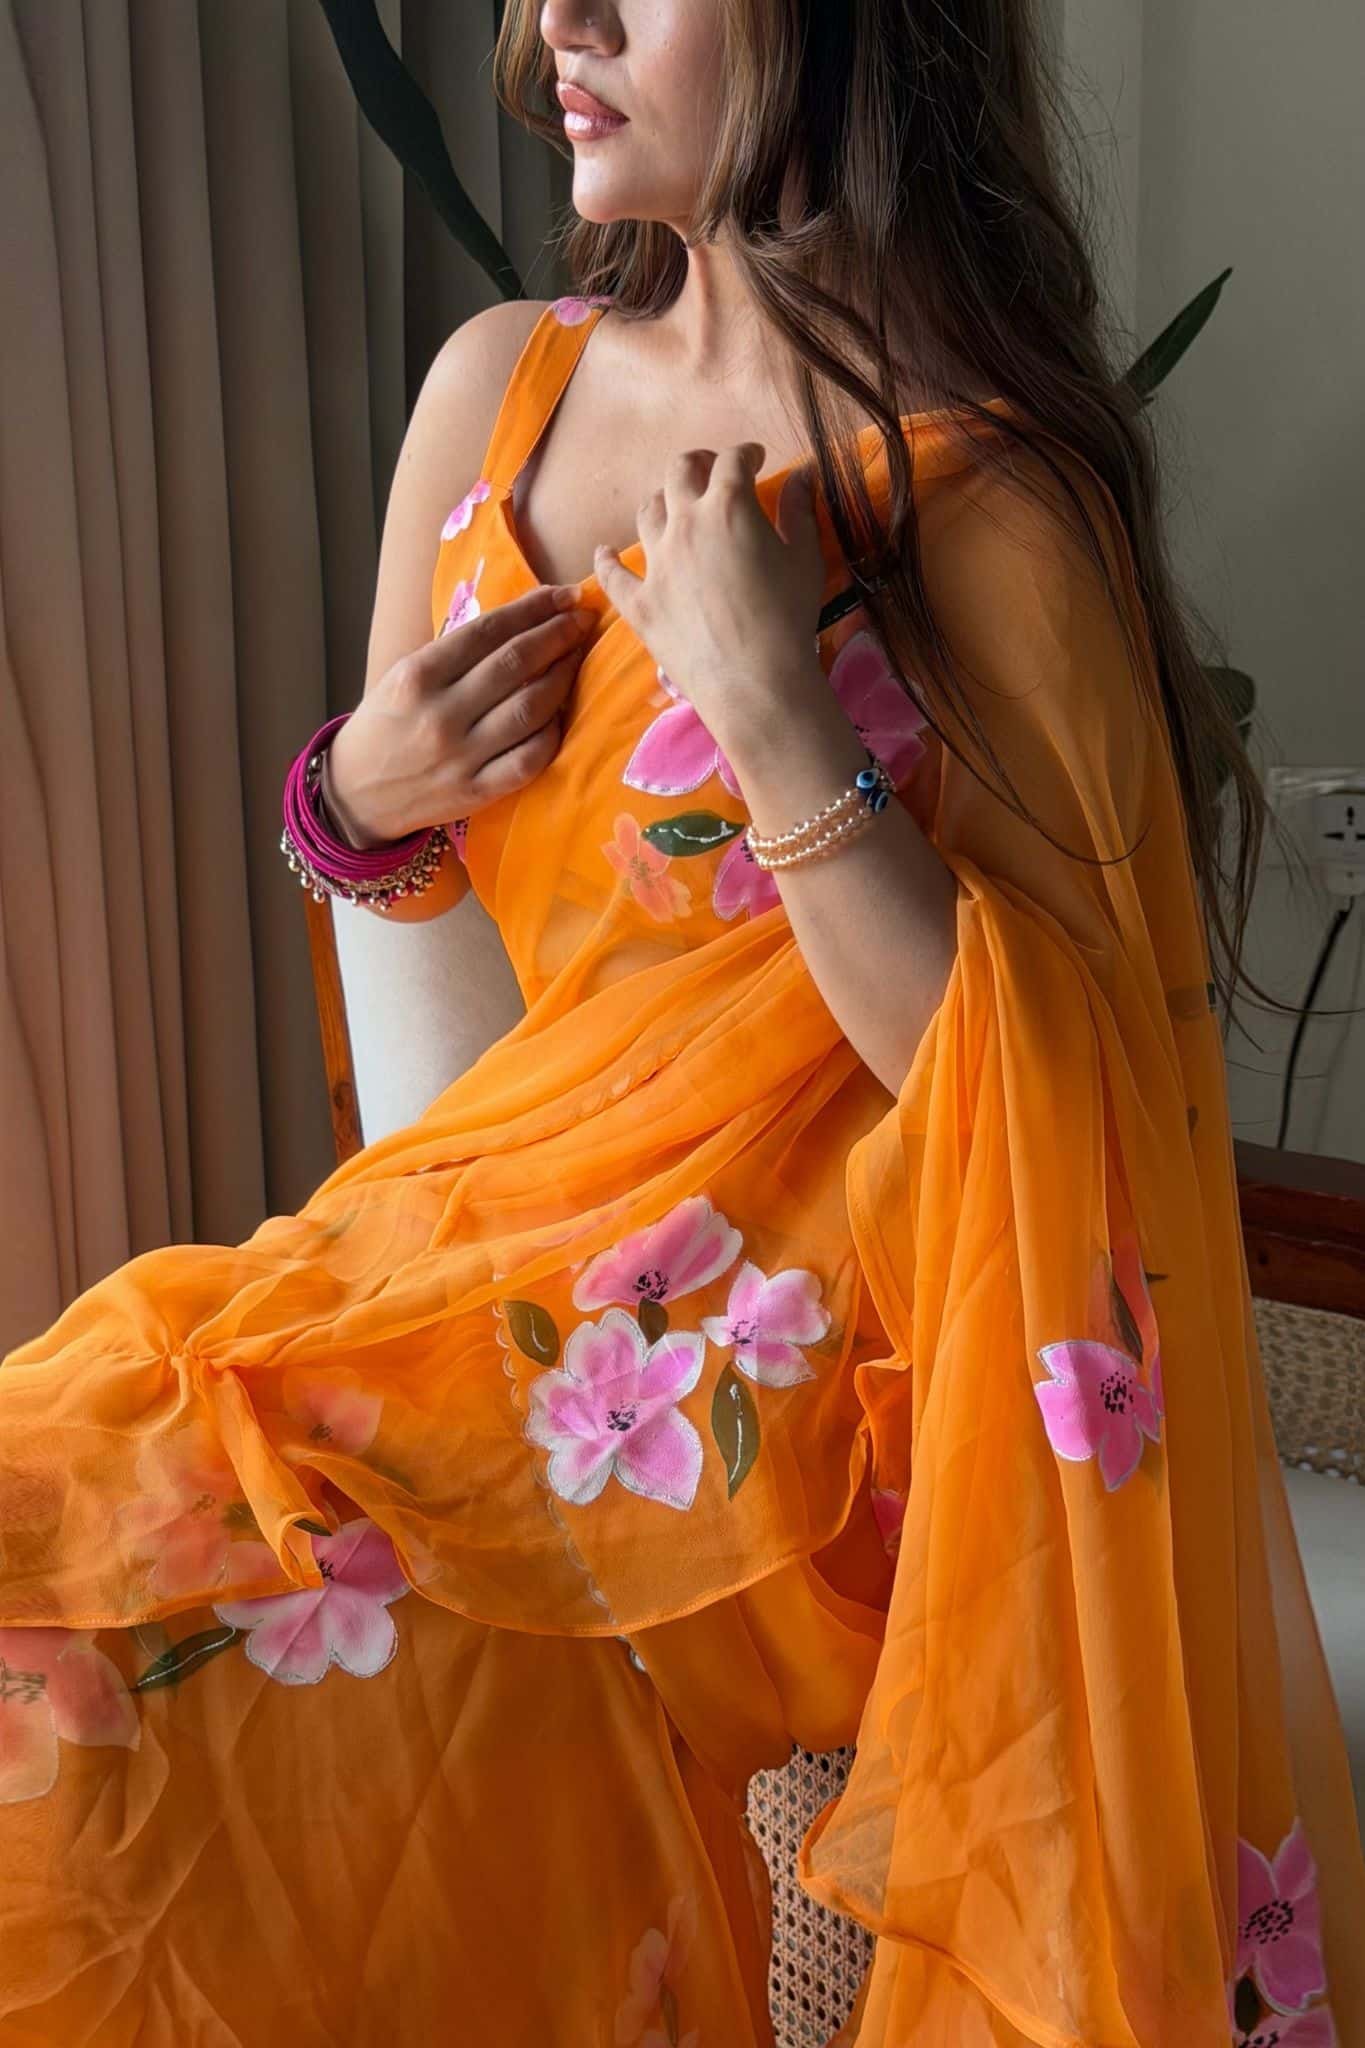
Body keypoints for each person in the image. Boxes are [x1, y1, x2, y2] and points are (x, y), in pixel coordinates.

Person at [2, 0, 1362, 2042]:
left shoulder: (986, 495)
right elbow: (437, 934)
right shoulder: (501, 392)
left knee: (113, 1718)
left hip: (800, 1379)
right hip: (495, 1255)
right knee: (60, 1491)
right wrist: (350, 795)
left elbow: (1032, 1084)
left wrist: (774, 717)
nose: (557, 19)